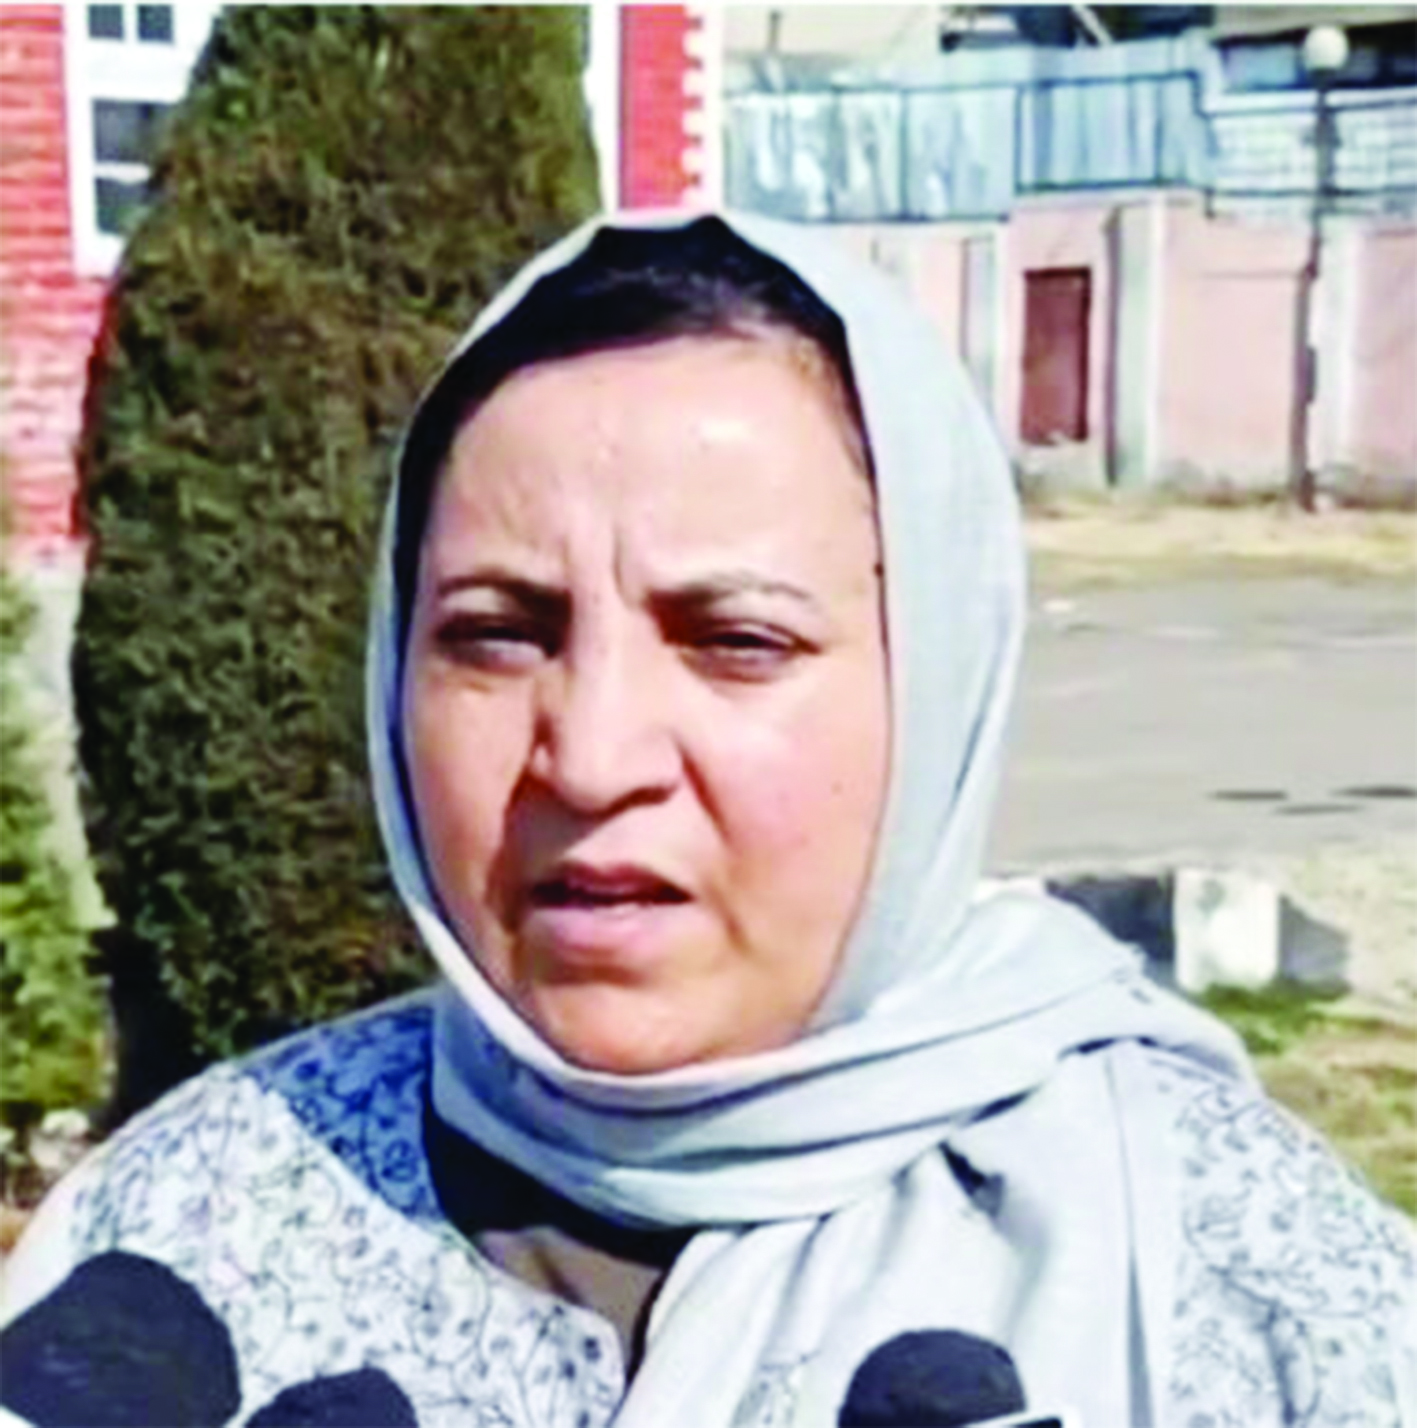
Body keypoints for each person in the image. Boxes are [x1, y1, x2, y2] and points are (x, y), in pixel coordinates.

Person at [1, 211, 1412, 1428]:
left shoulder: (1236, 1270)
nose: (590, 757)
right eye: (497, 634)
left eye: (737, 640)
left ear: (940, 687)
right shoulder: (187, 1233)